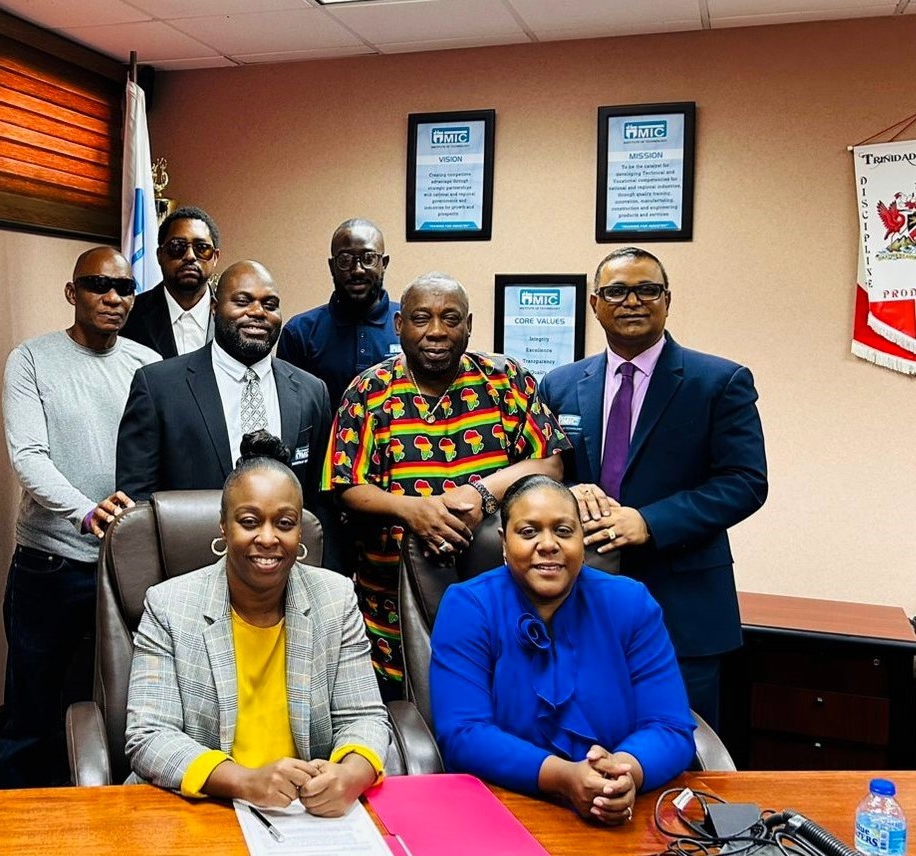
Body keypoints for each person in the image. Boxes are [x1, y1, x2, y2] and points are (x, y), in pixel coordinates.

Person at [540, 247, 768, 729]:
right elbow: (544, 472)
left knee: (682, 747)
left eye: (647, 290)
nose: (632, 301)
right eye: (616, 291)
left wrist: (648, 522)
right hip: (578, 605)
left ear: (667, 300)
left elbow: (745, 481)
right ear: (595, 303)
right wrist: (571, 490)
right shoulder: (559, 385)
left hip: (682, 611)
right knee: (587, 744)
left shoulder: (719, 381)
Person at [322, 272, 568, 700]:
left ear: (468, 326)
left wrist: (480, 494)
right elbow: (345, 485)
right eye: (422, 318)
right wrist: (412, 511)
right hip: (389, 608)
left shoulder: (505, 379)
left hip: (501, 597)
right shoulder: (368, 391)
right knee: (406, 716)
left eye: (450, 318)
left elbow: (550, 461)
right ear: (399, 325)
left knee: (500, 703)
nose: (436, 331)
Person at [125, 432, 389, 815]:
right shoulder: (169, 605)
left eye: (284, 523)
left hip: (304, 815)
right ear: (224, 526)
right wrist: (245, 781)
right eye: (249, 522)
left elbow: (363, 717)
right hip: (202, 809)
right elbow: (149, 736)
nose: (268, 538)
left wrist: (352, 774)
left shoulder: (335, 599)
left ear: (300, 531)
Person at [430, 475, 695, 824]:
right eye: (529, 532)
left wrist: (623, 773)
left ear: (581, 540)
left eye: (564, 531)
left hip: (619, 812)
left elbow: (669, 726)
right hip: (501, 810)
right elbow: (463, 733)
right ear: (504, 543)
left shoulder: (630, 603)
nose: (548, 544)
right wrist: (564, 778)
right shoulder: (469, 607)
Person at [0, 247, 160, 787]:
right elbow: (28, 456)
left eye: (125, 288)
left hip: (129, 564)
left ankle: (106, 816)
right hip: (51, 563)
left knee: (126, 703)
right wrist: (86, 511)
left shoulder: (147, 365)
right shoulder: (31, 359)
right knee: (33, 711)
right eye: (98, 285)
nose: (113, 297)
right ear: (72, 292)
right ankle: (20, 818)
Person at [116, 260, 331, 517]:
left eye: (270, 305)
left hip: (284, 541)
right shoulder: (158, 387)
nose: (257, 312)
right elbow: (136, 503)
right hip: (190, 540)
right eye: (242, 302)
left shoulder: (312, 392)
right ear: (214, 308)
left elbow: (320, 501)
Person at [277, 219, 400, 412]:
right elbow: (290, 411)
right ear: (332, 266)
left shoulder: (409, 325)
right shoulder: (299, 332)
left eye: (368, 258)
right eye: (345, 260)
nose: (357, 270)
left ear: (384, 263)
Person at [119, 206, 221, 359]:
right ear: (160, 255)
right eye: (177, 247)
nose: (190, 256)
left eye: (201, 248)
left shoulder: (233, 315)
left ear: (215, 257)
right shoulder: (129, 315)